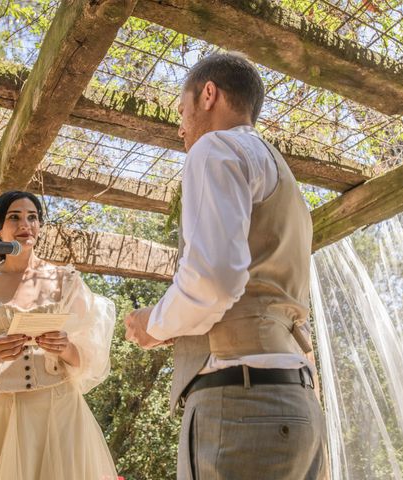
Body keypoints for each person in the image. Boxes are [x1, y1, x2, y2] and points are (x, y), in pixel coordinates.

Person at [124, 53, 327, 479]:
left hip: (241, 406)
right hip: (298, 402)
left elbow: (214, 282)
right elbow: (252, 291)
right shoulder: (281, 175)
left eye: (182, 110)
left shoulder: (215, 147)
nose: (180, 128)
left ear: (209, 94)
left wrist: (154, 324)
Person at [0, 191, 117, 479]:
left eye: (32, 217)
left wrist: (65, 346)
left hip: (59, 411)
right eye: (14, 217)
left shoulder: (65, 281)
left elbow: (89, 356)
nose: (26, 224)